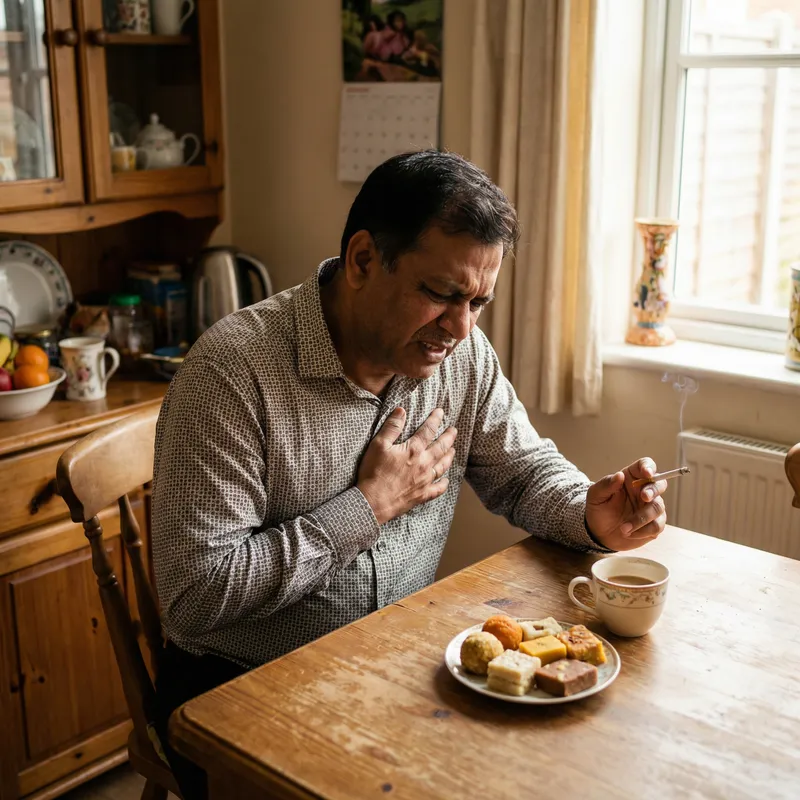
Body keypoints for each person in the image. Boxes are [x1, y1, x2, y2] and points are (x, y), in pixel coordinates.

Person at [151, 150, 667, 798]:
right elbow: (195, 594)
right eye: (443, 294)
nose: (460, 327)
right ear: (364, 260)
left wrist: (590, 514)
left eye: (478, 301)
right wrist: (365, 509)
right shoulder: (231, 375)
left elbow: (523, 471)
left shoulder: (458, 351)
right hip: (235, 685)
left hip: (392, 660)